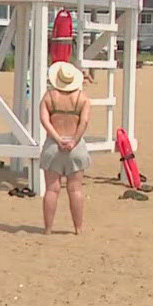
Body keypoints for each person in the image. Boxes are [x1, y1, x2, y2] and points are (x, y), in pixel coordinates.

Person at [39, 61, 91, 234]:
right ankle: (78, 228)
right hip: (75, 146)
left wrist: (57, 138)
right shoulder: (82, 99)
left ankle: (48, 229)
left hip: (54, 145)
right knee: (75, 189)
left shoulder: (49, 97)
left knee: (52, 190)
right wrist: (74, 141)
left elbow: (45, 121)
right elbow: (84, 122)